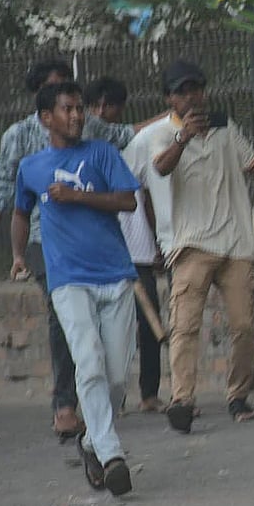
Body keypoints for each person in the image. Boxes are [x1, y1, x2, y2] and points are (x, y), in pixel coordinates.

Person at [0, 59, 158, 439]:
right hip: (45, 240)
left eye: (73, 98)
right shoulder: (19, 138)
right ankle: (65, 405)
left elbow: (125, 134)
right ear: (42, 106)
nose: (71, 109)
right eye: (59, 97)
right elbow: (3, 195)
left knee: (105, 348)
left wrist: (171, 118)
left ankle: (99, 405)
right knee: (62, 315)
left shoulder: (88, 128)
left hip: (94, 244)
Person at [121, 92, 254, 412]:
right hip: (186, 246)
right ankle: (181, 400)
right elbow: (156, 172)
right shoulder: (155, 135)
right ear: (171, 98)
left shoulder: (224, 128)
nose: (192, 98)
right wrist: (183, 139)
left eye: (196, 89)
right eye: (182, 92)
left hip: (232, 243)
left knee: (246, 322)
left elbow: (251, 163)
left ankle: (240, 396)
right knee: (185, 326)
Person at [10, 81, 140, 496]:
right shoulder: (31, 166)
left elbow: (128, 202)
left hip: (115, 274)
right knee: (89, 361)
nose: (78, 116)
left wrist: (77, 196)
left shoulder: (102, 153)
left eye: (80, 108)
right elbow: (19, 211)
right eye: (68, 109)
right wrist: (17, 254)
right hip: (68, 279)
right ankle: (111, 453)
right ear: (46, 118)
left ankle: (89, 441)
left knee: (116, 375)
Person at [84, 77, 166, 413]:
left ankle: (149, 393)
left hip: (137, 250)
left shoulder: (130, 142)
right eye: (101, 107)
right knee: (104, 327)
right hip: (101, 251)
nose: (107, 114)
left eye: (113, 108)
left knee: (149, 324)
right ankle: (106, 398)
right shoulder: (84, 145)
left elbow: (143, 196)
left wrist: (157, 240)